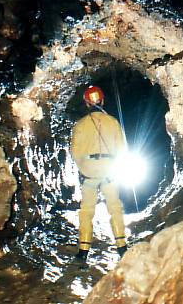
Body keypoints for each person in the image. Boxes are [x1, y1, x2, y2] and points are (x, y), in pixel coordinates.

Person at [70, 85, 127, 261]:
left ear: (86, 104)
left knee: (86, 211)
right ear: (102, 101)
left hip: (89, 172)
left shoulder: (80, 125)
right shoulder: (113, 122)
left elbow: (75, 152)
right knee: (115, 208)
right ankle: (121, 247)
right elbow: (122, 150)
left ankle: (83, 251)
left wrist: (84, 168)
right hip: (109, 171)